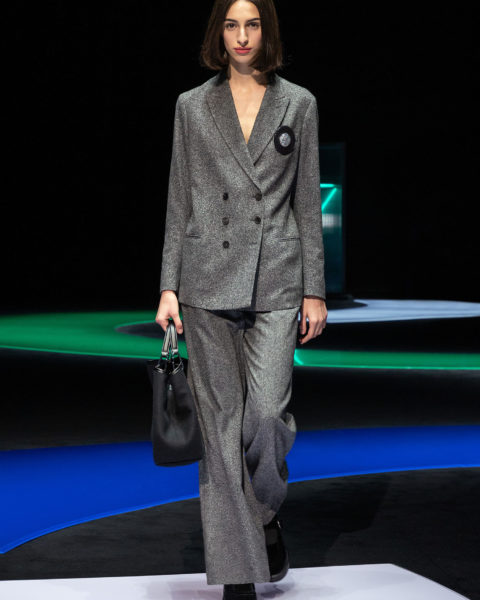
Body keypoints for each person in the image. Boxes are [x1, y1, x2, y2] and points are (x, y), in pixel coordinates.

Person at [155, 1, 327, 598]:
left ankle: (263, 513)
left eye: (252, 24)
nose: (242, 36)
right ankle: (237, 576)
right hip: (206, 280)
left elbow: (307, 202)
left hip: (276, 277)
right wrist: (168, 285)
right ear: (218, 33)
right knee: (222, 428)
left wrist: (314, 289)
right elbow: (179, 197)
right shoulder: (192, 106)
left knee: (265, 416)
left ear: (266, 30)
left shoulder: (298, 103)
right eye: (231, 25)